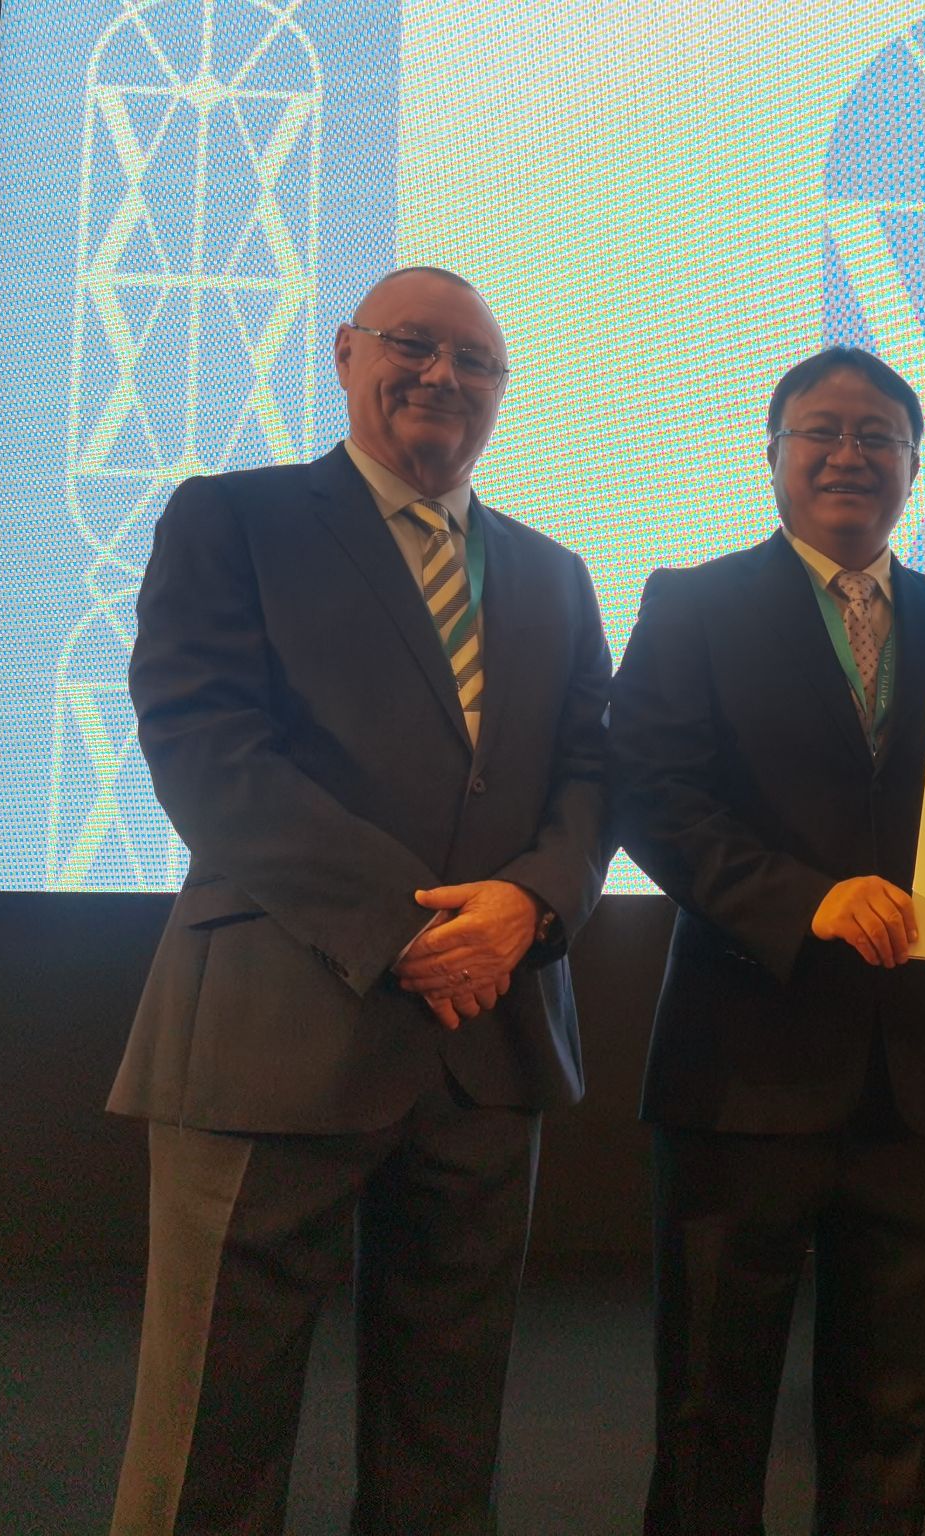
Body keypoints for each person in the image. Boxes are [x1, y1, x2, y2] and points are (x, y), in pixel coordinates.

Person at [106, 267, 612, 1534]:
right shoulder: (232, 519)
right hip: (274, 1031)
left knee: (446, 1437)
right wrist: (411, 929)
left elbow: (594, 777)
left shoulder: (555, 575)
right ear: (345, 353)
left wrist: (531, 908)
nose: (442, 375)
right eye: (412, 344)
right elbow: (206, 749)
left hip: (487, 1046)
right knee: (211, 1432)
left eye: (474, 361)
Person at [608, 346, 925, 1535]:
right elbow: (651, 797)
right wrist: (805, 901)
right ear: (774, 453)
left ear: (913, 463)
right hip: (740, 1076)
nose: (849, 454)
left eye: (877, 435)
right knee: (711, 1406)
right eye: (821, 431)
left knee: (897, 1410)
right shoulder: (690, 605)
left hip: (918, 1084)